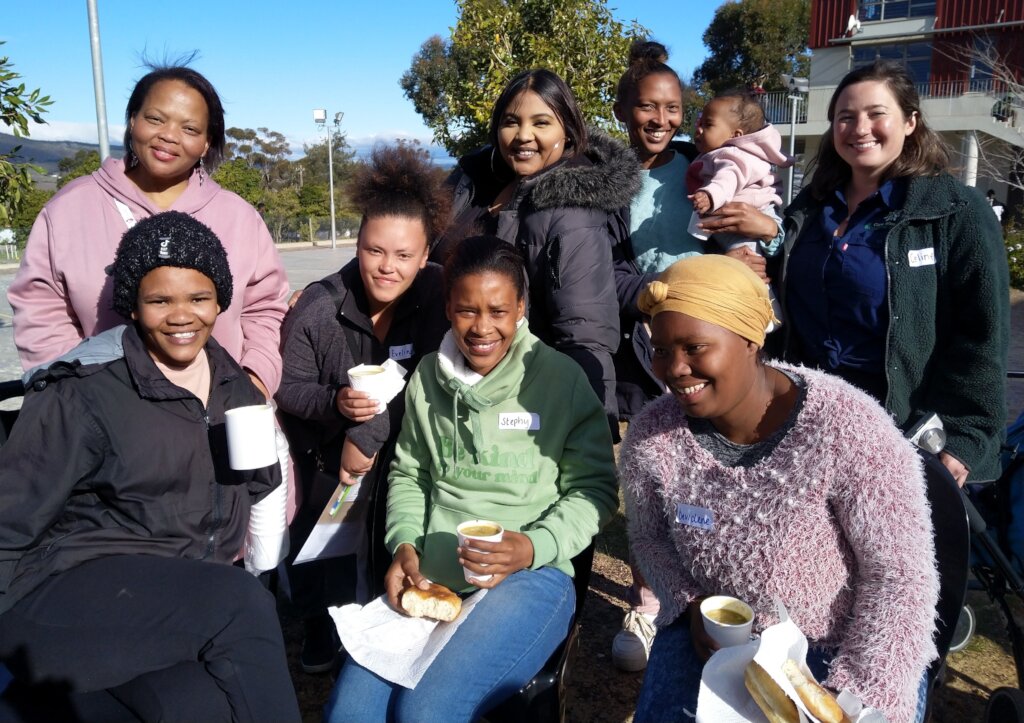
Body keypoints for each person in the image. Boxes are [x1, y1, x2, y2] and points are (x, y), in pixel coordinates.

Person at [0, 212, 300, 723]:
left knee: (200, 705)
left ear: (220, 301)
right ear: (134, 306)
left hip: (172, 604)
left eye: (198, 298)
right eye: (160, 300)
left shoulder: (233, 385)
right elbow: (10, 518)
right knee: (242, 601)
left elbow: (263, 483)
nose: (182, 316)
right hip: (65, 595)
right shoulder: (84, 390)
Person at [620, 254, 938, 723]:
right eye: (662, 350)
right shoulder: (653, 437)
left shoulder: (847, 429)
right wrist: (689, 603)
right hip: (711, 637)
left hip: (835, 650)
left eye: (694, 347)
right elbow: (650, 539)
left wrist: (857, 694)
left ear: (751, 339)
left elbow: (901, 577)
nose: (675, 369)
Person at [324, 236, 618, 722]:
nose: (482, 328)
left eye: (498, 311)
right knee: (350, 714)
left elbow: (595, 491)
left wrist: (532, 546)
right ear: (448, 309)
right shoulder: (426, 378)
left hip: (531, 576)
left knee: (426, 712)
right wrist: (404, 545)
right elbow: (410, 473)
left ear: (520, 308)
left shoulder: (561, 379)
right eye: (466, 311)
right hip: (434, 576)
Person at [607, 40, 785, 672]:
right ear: (623, 109)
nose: (660, 120)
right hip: (640, 344)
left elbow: (757, 209)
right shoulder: (604, 178)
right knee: (650, 479)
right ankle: (648, 601)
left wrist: (760, 248)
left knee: (716, 470)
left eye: (673, 108)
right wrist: (657, 294)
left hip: (713, 344)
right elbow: (604, 268)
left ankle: (723, 597)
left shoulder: (702, 164)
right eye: (647, 107)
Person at [776, 61, 1010, 485]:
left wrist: (964, 436)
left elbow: (983, 334)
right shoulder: (808, 209)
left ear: (910, 122)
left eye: (876, 114)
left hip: (904, 436)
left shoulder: (956, 212)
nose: (859, 128)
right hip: (808, 427)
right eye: (845, 117)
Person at [8, 63, 289, 400]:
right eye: (155, 119)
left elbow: (264, 310)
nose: (169, 135)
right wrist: (74, 394)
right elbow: (41, 313)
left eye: (189, 128)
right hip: (108, 415)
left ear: (206, 143)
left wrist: (253, 382)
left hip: (224, 411)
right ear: (132, 121)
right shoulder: (69, 209)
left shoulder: (239, 216)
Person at [275, 144, 451, 674]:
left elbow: (431, 380)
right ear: (357, 244)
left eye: (404, 255)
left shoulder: (437, 296)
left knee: (390, 535)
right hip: (327, 454)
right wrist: (335, 403)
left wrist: (368, 434)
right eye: (375, 251)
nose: (387, 267)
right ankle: (319, 623)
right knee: (322, 534)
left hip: (407, 445)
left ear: (425, 254)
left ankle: (391, 606)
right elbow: (288, 387)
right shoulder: (318, 307)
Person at [430, 68, 639, 432]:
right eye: (511, 122)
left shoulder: (572, 211)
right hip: (448, 379)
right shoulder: (474, 181)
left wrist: (591, 429)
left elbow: (583, 331)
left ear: (567, 130)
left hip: (519, 400)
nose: (523, 135)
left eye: (541, 123)